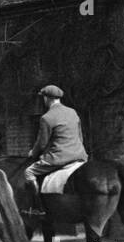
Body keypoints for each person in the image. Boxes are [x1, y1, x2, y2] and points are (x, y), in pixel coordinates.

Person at [21, 84, 88, 214]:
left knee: (28, 172)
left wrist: (32, 153)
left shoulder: (46, 118)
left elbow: (41, 144)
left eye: (43, 98)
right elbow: (80, 137)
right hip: (79, 156)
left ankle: (37, 208)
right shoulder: (72, 112)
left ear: (47, 98)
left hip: (59, 158)